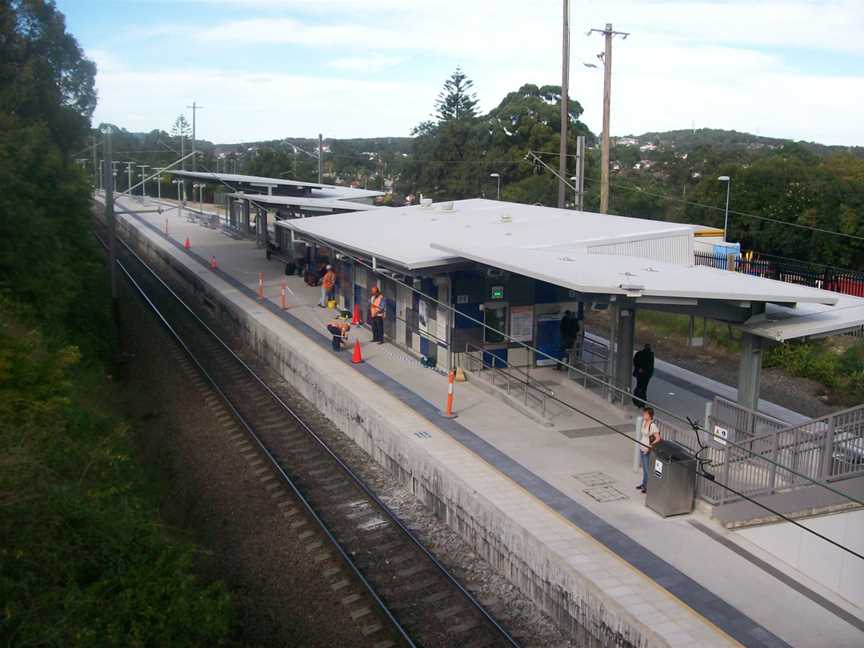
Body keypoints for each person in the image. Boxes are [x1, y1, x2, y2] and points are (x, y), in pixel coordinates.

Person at [637, 407, 661, 493]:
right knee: (644, 468)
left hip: (647, 449)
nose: (644, 415)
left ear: (650, 415)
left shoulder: (652, 425)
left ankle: (648, 486)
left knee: (647, 469)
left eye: (645, 414)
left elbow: (658, 438)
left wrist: (649, 447)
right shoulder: (644, 422)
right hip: (642, 447)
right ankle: (644, 484)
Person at [632, 343, 655, 407]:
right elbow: (651, 366)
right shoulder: (651, 355)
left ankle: (637, 400)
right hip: (646, 374)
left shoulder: (639, 353)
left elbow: (635, 361)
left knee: (639, 386)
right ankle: (642, 400)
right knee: (644, 387)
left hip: (640, 373)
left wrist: (638, 368)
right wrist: (650, 373)